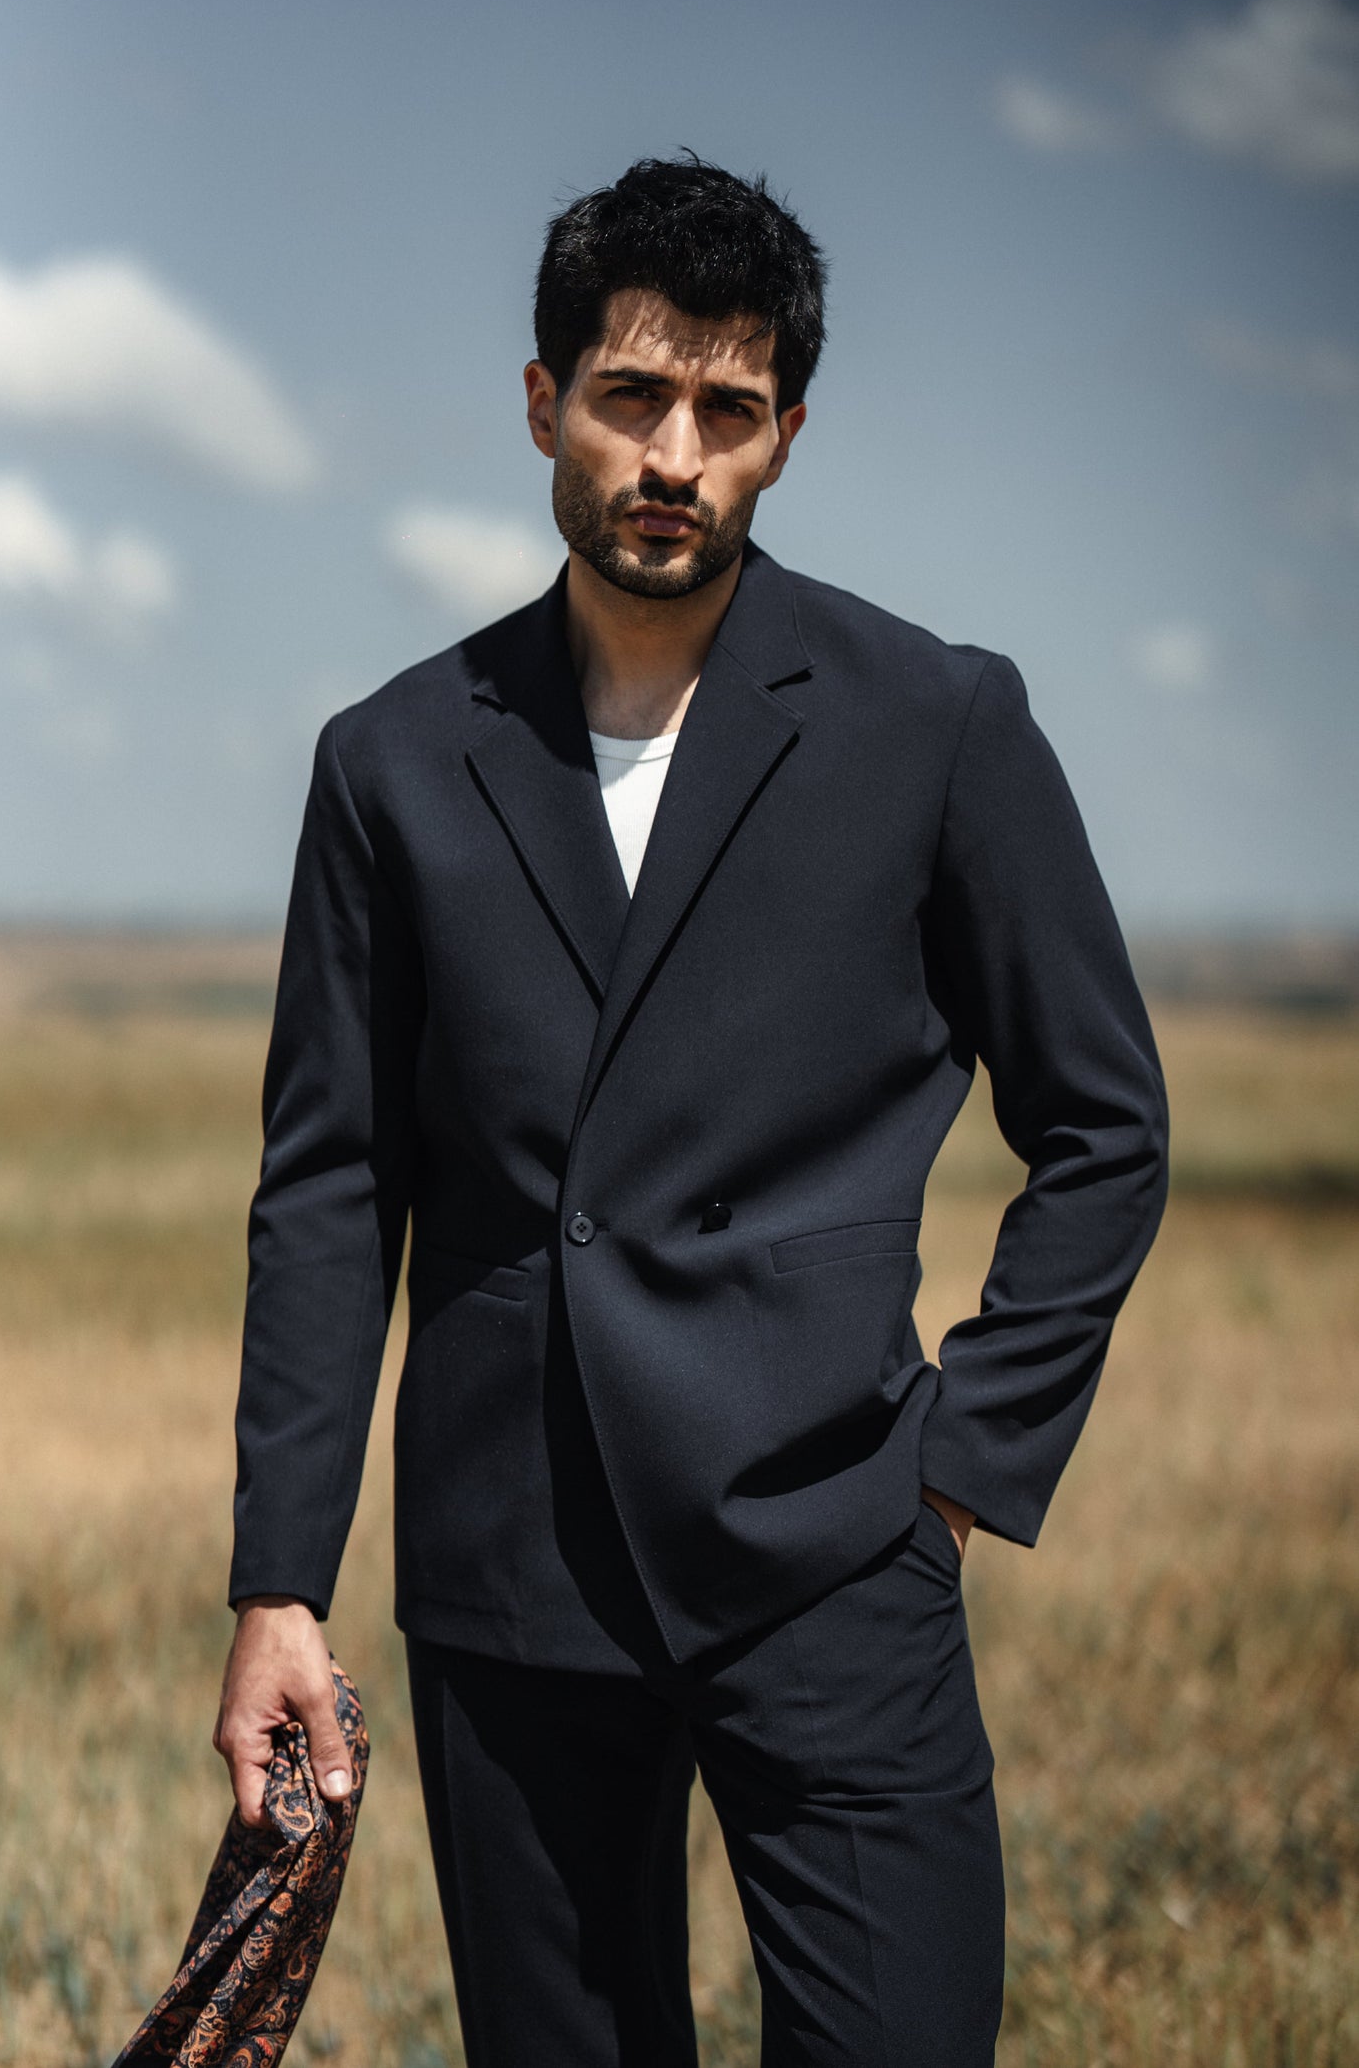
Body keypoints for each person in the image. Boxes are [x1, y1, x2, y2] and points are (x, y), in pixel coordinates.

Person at [213, 155, 1168, 2066]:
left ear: (786, 437)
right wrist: (280, 1583)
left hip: (834, 1539)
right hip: (507, 1565)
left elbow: (1105, 1125)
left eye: (727, 414)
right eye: (631, 397)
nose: (675, 454)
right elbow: (331, 1187)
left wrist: (958, 1468)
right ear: (544, 401)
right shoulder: (393, 760)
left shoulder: (934, 723)